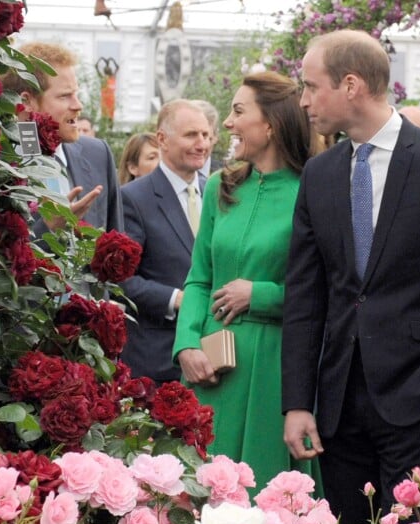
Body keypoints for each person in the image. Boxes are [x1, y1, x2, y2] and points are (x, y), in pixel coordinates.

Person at [281, 30, 420, 524]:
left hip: (419, 397)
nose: (305, 100)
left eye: (312, 86)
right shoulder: (319, 174)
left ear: (351, 85)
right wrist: (298, 402)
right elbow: (306, 296)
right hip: (338, 406)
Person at [173, 71, 322, 494]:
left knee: (264, 503)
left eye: (238, 111)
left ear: (271, 123)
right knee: (197, 500)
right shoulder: (222, 186)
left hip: (274, 372)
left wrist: (260, 294)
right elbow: (199, 278)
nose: (227, 123)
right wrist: (185, 344)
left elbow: (328, 290)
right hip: (210, 370)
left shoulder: (312, 189)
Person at [120, 100, 210, 382]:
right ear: (162, 139)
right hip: (157, 362)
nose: (202, 144)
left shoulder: (219, 195)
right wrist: (176, 299)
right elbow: (121, 280)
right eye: (191, 135)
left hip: (213, 356)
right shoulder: (133, 198)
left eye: (206, 135)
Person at [1, 42, 123, 235]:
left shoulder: (98, 154)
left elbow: (114, 241)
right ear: (26, 102)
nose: (78, 105)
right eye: (65, 96)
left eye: (76, 94)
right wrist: (47, 229)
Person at [192, 99, 222, 177]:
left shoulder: (228, 175)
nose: (201, 146)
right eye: (192, 136)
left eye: (206, 137)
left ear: (216, 137)